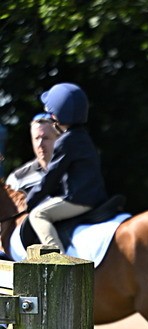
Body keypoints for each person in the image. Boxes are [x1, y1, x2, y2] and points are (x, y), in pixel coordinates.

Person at [24, 83, 107, 253]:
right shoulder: (83, 136)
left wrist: (28, 202)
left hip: (78, 200)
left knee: (38, 215)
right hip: (96, 196)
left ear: (56, 115)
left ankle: (59, 260)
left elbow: (51, 178)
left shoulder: (65, 141)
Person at [6, 114, 60, 193]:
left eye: (45, 138)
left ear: (59, 138)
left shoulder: (75, 171)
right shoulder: (17, 178)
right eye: (36, 138)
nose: (40, 144)